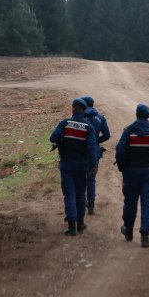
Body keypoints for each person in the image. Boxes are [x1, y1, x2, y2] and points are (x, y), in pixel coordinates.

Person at [115, 103, 149, 248]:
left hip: (131, 173)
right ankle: (145, 236)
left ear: (136, 115)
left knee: (130, 203)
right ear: (148, 116)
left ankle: (128, 230)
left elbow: (119, 152)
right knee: (148, 203)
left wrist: (122, 168)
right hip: (148, 173)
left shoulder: (129, 131)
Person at [50, 98, 97, 235]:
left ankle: (71, 226)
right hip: (81, 166)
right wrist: (93, 165)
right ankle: (81, 224)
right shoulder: (89, 127)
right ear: (84, 110)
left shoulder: (65, 123)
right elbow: (91, 148)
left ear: (73, 108)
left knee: (69, 194)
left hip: (66, 165)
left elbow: (53, 138)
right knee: (80, 194)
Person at [81, 95, 110, 215]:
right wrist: (97, 141)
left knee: (80, 178)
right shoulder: (100, 117)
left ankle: (82, 202)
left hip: (80, 152)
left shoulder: (79, 116)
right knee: (91, 179)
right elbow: (107, 135)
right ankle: (91, 206)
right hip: (94, 152)